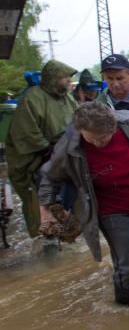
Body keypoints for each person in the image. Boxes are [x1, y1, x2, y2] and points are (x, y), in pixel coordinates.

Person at [38, 101, 129, 306]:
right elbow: (50, 176)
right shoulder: (69, 144)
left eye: (102, 138)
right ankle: (124, 311)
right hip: (111, 209)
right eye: (90, 139)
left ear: (114, 128)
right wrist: (45, 209)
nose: (96, 143)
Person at [3, 59, 77, 237]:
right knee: (47, 204)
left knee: (70, 201)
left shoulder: (67, 98)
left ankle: (69, 237)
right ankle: (49, 241)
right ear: (54, 77)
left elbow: (79, 120)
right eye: (65, 76)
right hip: (42, 161)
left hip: (68, 159)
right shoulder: (32, 97)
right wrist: (47, 149)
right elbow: (24, 130)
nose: (69, 80)